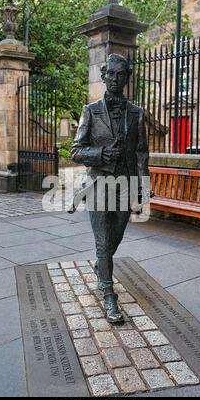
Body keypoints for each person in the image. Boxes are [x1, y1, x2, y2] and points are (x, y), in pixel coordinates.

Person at [71, 53, 149, 323]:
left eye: (120, 75)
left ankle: (100, 268)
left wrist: (143, 188)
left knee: (115, 238)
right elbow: (76, 151)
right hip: (98, 185)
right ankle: (108, 294)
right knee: (103, 244)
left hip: (125, 187)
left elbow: (141, 154)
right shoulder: (90, 111)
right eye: (110, 74)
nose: (115, 80)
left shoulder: (137, 114)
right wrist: (101, 154)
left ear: (127, 78)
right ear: (103, 76)